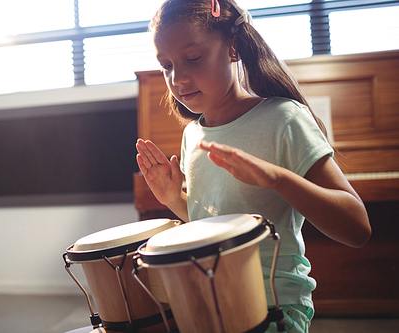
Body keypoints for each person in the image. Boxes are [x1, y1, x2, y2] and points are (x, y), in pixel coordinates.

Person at [135, 0, 372, 332]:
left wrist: (278, 178)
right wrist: (174, 199)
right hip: (212, 298)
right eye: (166, 65)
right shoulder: (193, 134)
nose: (178, 78)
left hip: (274, 305)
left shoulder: (283, 118)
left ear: (232, 48)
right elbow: (220, 229)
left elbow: (357, 228)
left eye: (192, 58)